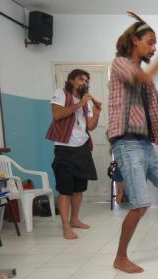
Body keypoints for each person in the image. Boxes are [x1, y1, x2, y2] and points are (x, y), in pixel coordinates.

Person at [107, 16, 158, 274]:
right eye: (151, 43)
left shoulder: (149, 83)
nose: (154, 48)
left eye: (156, 44)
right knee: (141, 204)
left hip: (145, 144)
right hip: (126, 143)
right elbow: (142, 78)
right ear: (135, 40)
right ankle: (120, 257)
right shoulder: (120, 64)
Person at [46, 69, 102, 240]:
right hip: (64, 148)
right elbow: (57, 114)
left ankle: (75, 220)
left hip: (82, 148)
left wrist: (97, 111)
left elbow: (90, 126)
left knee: (79, 188)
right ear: (71, 80)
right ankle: (65, 227)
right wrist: (79, 104)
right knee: (65, 189)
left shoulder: (86, 102)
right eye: (80, 79)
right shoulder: (61, 93)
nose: (84, 83)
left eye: (86, 80)